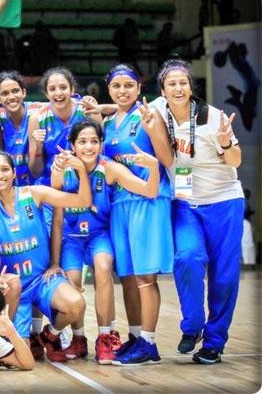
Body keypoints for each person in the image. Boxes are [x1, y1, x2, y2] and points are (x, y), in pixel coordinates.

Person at [153, 59, 244, 364]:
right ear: (163, 90)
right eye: (172, 83)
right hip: (186, 202)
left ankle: (214, 342)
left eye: (183, 83)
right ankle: (192, 326)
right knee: (187, 258)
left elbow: (235, 161)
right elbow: (121, 106)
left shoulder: (213, 117)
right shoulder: (157, 110)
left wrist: (226, 142)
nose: (178, 88)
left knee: (224, 277)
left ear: (191, 87)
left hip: (224, 201)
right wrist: (98, 110)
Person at [48, 120, 160, 364]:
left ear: (101, 144)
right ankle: (78, 339)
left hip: (100, 234)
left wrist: (153, 167)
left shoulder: (109, 167)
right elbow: (57, 220)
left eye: (94, 141)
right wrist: (54, 261)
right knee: (73, 281)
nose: (89, 147)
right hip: (72, 238)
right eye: (82, 141)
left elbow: (150, 191)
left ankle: (105, 336)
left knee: (103, 268)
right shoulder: (59, 169)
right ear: (72, 145)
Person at [0, 150, 90, 362]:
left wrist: (81, 169)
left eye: (5, 169)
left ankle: (50, 334)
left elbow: (82, 200)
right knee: (21, 357)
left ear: (14, 173)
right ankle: (22, 336)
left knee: (76, 304)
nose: (0, 175)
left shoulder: (34, 193)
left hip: (41, 280)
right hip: (12, 290)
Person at [101, 63, 174, 366]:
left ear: (139, 88)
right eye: (116, 86)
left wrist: (154, 130)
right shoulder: (108, 123)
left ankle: (150, 343)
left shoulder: (149, 115)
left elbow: (167, 158)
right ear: (109, 89)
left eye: (128, 85)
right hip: (121, 204)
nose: (122, 91)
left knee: (145, 276)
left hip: (148, 200)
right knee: (128, 277)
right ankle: (135, 338)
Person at [28, 67, 97, 187]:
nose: (58, 93)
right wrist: (38, 148)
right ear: (46, 94)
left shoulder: (87, 111)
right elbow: (35, 171)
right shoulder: (37, 119)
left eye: (63, 87)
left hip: (85, 182)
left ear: (72, 89)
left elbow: (101, 156)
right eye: (52, 89)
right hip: (50, 185)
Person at [0, 71, 43, 186]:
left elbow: (62, 105)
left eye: (15, 91)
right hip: (10, 187)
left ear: (24, 92)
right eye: (5, 93)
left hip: (38, 185)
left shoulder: (39, 110)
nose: (11, 97)